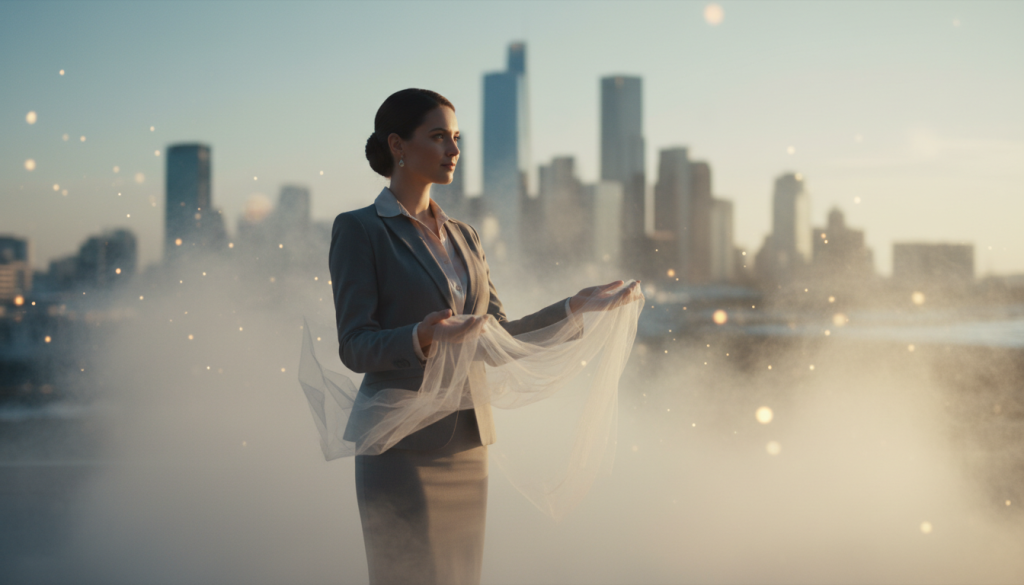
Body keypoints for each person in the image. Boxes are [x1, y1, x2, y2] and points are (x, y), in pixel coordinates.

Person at [329, 88, 639, 585]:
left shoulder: (465, 236)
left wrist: (574, 308)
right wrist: (424, 336)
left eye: (456, 138)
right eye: (438, 137)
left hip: (468, 444)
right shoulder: (360, 230)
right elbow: (356, 345)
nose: (454, 150)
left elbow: (497, 336)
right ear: (398, 145)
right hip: (400, 446)